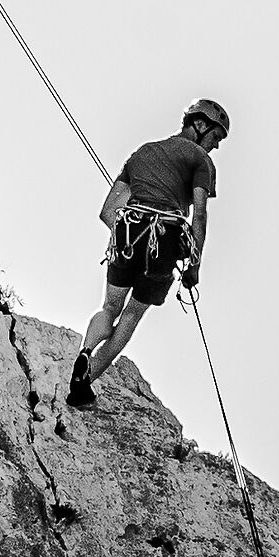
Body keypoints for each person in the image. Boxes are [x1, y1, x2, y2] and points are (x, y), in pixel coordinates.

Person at [67, 98, 230, 408]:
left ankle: (85, 352)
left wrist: (129, 236)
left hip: (128, 231)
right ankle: (82, 387)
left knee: (110, 306)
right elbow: (199, 215)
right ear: (200, 125)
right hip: (164, 238)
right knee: (131, 315)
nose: (217, 145)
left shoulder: (142, 153)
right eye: (216, 136)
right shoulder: (200, 160)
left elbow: (107, 211)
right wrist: (194, 266)